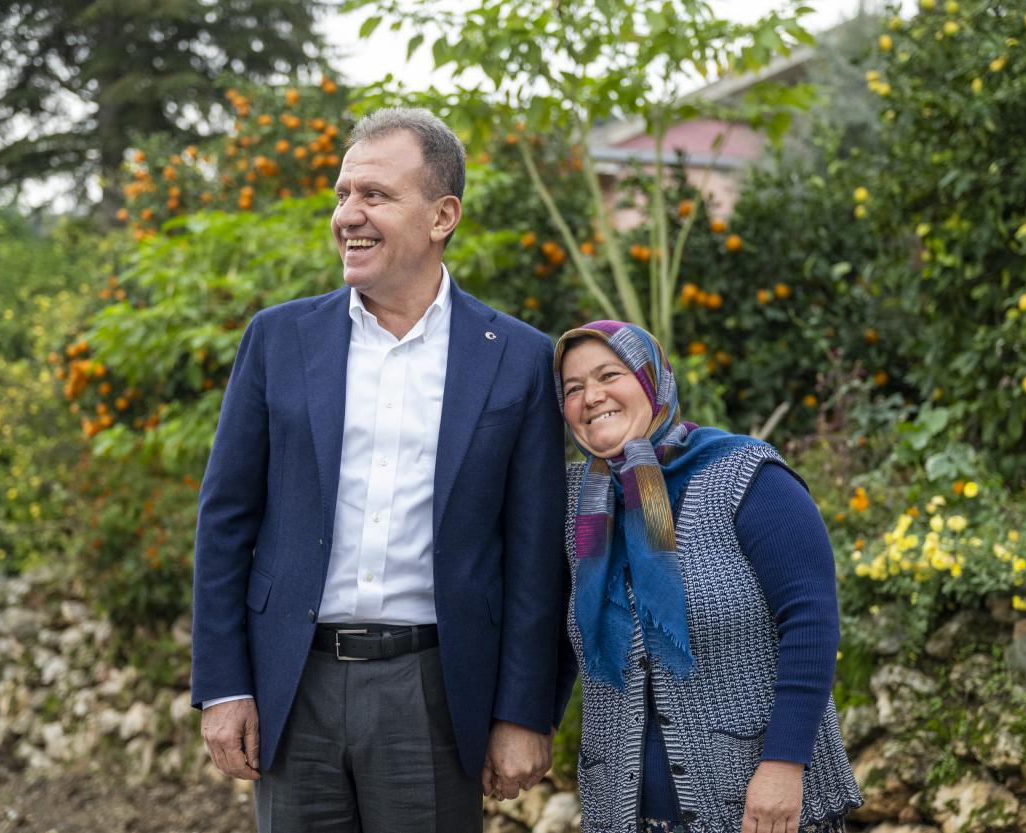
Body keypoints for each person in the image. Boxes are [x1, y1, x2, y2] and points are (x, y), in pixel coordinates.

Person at [190, 108, 568, 832]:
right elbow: (225, 519)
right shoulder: (278, 339)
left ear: (441, 215)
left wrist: (523, 710)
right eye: (341, 194)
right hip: (291, 681)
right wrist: (224, 684)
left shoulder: (518, 359)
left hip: (432, 691)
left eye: (375, 195)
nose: (348, 215)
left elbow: (534, 554)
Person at [552, 320, 863, 833]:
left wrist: (784, 765)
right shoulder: (580, 509)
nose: (592, 397)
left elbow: (811, 620)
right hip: (620, 811)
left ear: (654, 381)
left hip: (754, 803)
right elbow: (546, 629)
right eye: (573, 388)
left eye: (610, 374)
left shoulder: (745, 476)